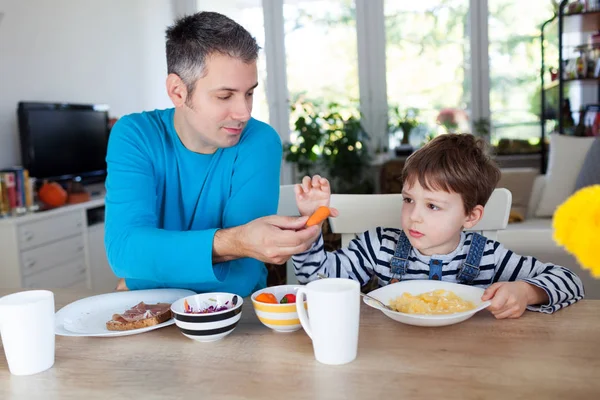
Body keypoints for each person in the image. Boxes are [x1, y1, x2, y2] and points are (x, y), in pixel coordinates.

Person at [104, 12, 320, 296]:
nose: (244, 113)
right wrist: (237, 242)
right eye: (225, 96)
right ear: (178, 92)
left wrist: (139, 279)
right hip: (151, 317)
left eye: (250, 93)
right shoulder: (134, 135)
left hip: (236, 319)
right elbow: (125, 252)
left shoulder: (259, 141)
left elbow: (240, 278)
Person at [292, 134, 584, 318]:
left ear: (470, 217)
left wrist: (526, 292)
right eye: (408, 199)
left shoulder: (487, 256)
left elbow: (570, 281)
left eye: (432, 206)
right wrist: (312, 223)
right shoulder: (378, 247)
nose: (414, 216)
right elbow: (317, 281)